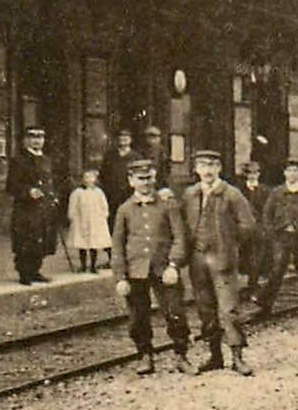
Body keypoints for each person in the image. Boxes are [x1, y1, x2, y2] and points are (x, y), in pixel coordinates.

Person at [110, 157, 192, 374]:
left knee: (175, 312)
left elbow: (180, 238)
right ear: (131, 181)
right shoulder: (124, 210)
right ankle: (145, 355)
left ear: (155, 178)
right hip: (136, 271)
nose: (146, 183)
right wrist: (120, 277)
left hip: (164, 269)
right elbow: (117, 245)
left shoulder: (168, 205)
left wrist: (174, 265)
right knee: (138, 317)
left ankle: (181, 355)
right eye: (141, 179)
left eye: (149, 178)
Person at [181, 149, 256, 375]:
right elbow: (182, 222)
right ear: (196, 169)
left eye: (212, 165)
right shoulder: (190, 194)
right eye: (203, 166)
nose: (207, 171)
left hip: (222, 260)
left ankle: (237, 357)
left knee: (228, 308)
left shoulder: (231, 194)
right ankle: (214, 355)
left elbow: (248, 225)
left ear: (219, 168)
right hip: (198, 260)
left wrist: (229, 243)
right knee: (205, 308)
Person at [256, 157, 298, 319]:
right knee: (277, 270)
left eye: (295, 170)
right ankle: (265, 305)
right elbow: (267, 214)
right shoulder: (277, 193)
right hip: (281, 237)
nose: (291, 174)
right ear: (284, 173)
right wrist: (271, 232)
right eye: (288, 170)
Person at [6, 125, 57, 285]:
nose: (37, 141)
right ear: (25, 141)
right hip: (26, 209)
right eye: (33, 137)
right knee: (26, 240)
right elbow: (11, 185)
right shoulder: (19, 161)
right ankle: (24, 273)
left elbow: (52, 182)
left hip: (44, 207)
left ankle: (35, 270)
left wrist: (54, 196)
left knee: (41, 240)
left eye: (40, 137)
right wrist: (28, 191)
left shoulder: (47, 160)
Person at [68, 165, 112, 273]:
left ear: (95, 179)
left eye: (91, 177)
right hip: (81, 220)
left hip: (95, 220)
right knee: (81, 244)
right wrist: (72, 217)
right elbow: (72, 206)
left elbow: (104, 205)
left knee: (94, 243)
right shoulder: (78, 193)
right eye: (86, 177)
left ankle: (93, 265)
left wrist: (104, 215)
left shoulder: (98, 192)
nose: (89, 180)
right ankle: (83, 265)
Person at [239, 161, 272, 303]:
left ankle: (253, 286)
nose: (253, 176)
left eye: (255, 173)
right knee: (244, 258)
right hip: (243, 230)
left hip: (259, 230)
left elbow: (269, 211)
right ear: (245, 175)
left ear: (259, 174)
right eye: (250, 173)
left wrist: (266, 227)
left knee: (256, 258)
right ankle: (249, 285)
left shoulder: (265, 191)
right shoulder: (239, 191)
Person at [100, 128, 144, 218]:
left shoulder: (136, 157)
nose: (123, 140)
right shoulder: (110, 156)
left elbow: (141, 175)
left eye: (126, 138)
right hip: (112, 194)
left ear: (131, 140)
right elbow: (103, 174)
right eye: (121, 138)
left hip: (129, 193)